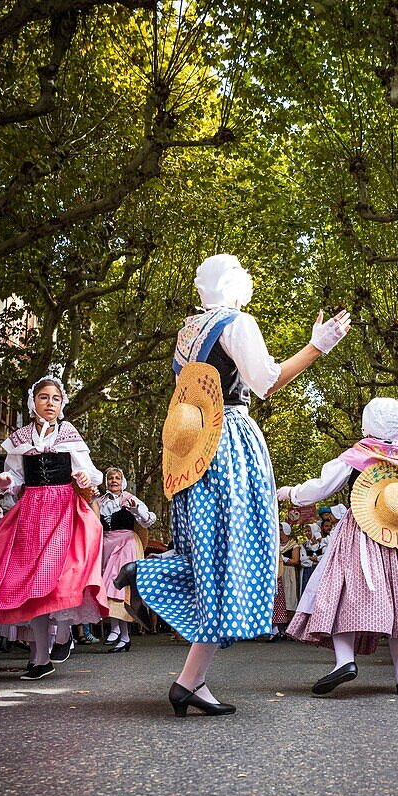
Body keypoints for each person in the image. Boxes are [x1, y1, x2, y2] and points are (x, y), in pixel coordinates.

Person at [115, 253, 350, 716]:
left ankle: (190, 682)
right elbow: (265, 381)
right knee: (238, 553)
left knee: (212, 556)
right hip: (229, 442)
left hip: (193, 446)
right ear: (235, 281)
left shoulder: (188, 332)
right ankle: (146, 576)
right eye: (245, 275)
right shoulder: (237, 322)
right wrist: (316, 346)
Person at [278, 397, 398, 696]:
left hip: (362, 531)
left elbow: (322, 486)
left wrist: (290, 493)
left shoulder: (358, 454)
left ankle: (345, 661)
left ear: (367, 423)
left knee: (343, 592)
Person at [0, 375, 108, 679]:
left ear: (61, 405)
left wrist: (85, 479)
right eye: (44, 397)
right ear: (33, 402)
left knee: (54, 579)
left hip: (62, 512)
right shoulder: (20, 438)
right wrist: (5, 481)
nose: (50, 403)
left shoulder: (68, 433)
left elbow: (88, 471)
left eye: (56, 399)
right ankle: (41, 657)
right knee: (31, 584)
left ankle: (59, 641)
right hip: (31, 514)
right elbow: (16, 477)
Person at [99, 467, 156, 651]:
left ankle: (115, 629)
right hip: (106, 545)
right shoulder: (100, 502)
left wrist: (136, 511)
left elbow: (147, 520)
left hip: (126, 543)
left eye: (117, 478)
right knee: (109, 588)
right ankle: (124, 636)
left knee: (117, 585)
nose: (113, 481)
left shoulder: (129, 499)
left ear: (122, 481)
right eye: (110, 478)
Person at [299, 523, 322, 594]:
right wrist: (313, 560)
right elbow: (302, 561)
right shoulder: (304, 545)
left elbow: (324, 558)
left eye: (309, 531)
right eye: (306, 531)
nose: (307, 533)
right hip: (308, 572)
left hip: (320, 572)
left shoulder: (322, 545)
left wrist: (313, 559)